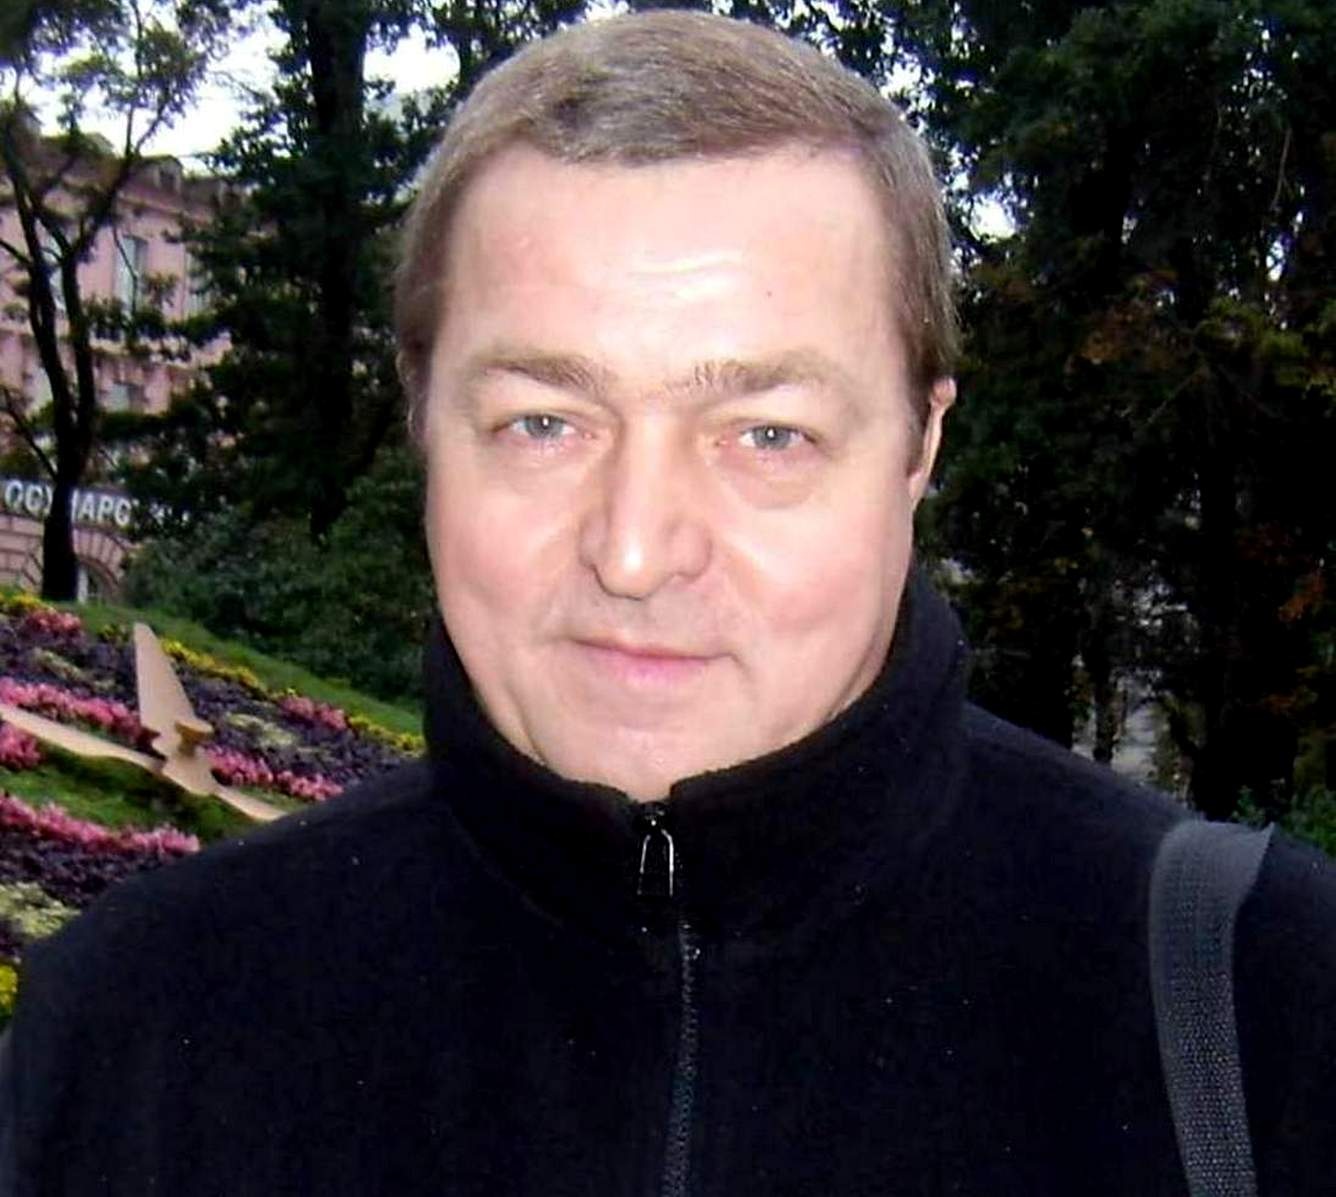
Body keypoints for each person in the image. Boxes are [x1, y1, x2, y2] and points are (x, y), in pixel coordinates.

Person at [3, 10, 1334, 1194]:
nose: (635, 552)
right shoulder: (128, 1038)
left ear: (920, 446)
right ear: (422, 420)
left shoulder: (1263, 1009)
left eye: (767, 434)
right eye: (542, 422)